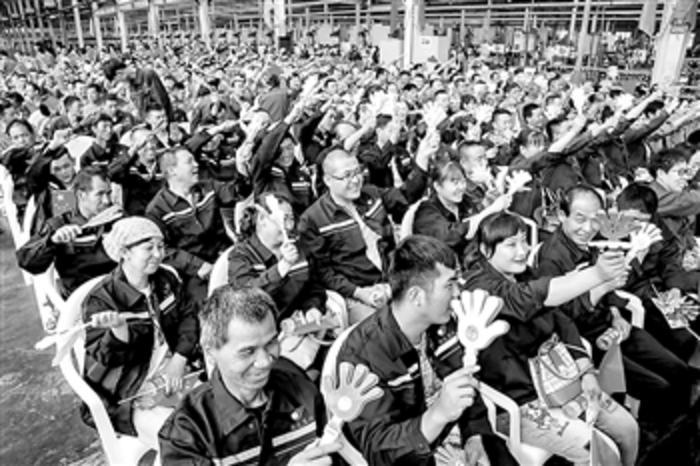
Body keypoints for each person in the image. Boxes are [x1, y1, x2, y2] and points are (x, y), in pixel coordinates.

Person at [462, 212, 639, 466]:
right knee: (600, 450)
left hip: (561, 381)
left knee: (628, 429)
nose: (522, 251)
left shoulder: (524, 273)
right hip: (520, 401)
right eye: (511, 244)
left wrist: (585, 369)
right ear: (485, 249)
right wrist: (597, 275)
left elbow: (562, 318)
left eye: (524, 241)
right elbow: (525, 299)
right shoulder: (479, 286)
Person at [335, 235, 519, 465]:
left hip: (456, 436)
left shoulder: (443, 326)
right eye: (449, 285)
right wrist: (438, 414)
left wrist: (474, 435)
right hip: (411, 453)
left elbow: (466, 385)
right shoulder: (362, 355)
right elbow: (378, 449)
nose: (457, 293)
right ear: (416, 296)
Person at [535, 184, 694, 429]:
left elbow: (611, 290)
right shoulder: (552, 258)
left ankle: (677, 432)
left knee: (680, 371)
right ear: (562, 215)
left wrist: (617, 315)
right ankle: (650, 435)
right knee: (659, 387)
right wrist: (601, 289)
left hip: (614, 324)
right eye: (580, 219)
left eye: (595, 220)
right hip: (588, 338)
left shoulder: (596, 242)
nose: (588, 228)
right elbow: (563, 316)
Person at [158, 285, 341, 465]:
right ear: (211, 352)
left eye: (271, 343)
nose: (265, 361)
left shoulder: (299, 386)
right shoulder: (186, 432)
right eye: (248, 351)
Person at [82, 216, 200, 450]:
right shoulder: (101, 299)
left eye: (161, 246)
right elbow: (107, 359)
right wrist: (118, 330)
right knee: (181, 442)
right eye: (149, 248)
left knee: (220, 420)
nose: (158, 254)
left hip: (175, 374)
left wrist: (179, 358)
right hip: (129, 392)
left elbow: (189, 318)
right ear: (124, 252)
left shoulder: (166, 279)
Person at [298, 133, 434, 323]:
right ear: (328, 180)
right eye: (346, 176)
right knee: (385, 329)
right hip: (355, 294)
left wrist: (422, 160)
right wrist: (360, 293)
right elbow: (323, 273)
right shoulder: (313, 219)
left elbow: (405, 196)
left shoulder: (372, 194)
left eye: (357, 172)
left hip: (392, 280)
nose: (355, 180)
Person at [146, 146, 251, 302]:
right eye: (189, 162)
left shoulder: (209, 187)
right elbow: (163, 249)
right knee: (207, 304)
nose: (196, 164)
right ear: (172, 171)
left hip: (225, 256)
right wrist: (197, 266)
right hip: (192, 272)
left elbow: (238, 192)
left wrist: (243, 169)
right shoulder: (157, 209)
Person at [17, 166, 120, 297]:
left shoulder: (117, 218)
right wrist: (51, 241)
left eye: (109, 193)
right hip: (83, 297)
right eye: (99, 194)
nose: (107, 201)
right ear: (81, 195)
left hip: (121, 290)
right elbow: (27, 262)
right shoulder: (60, 224)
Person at [228, 192, 326, 321]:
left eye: (291, 219)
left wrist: (312, 307)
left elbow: (314, 288)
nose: (289, 226)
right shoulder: (240, 255)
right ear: (262, 219)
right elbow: (246, 298)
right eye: (283, 219)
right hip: (262, 326)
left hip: (297, 323)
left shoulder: (298, 247)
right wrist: (282, 267)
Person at [413, 156, 510, 258]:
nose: (461, 187)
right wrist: (491, 210)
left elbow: (477, 219)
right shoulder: (426, 211)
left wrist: (486, 204)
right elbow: (452, 236)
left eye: (463, 182)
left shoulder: (465, 201)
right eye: (455, 183)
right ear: (437, 186)